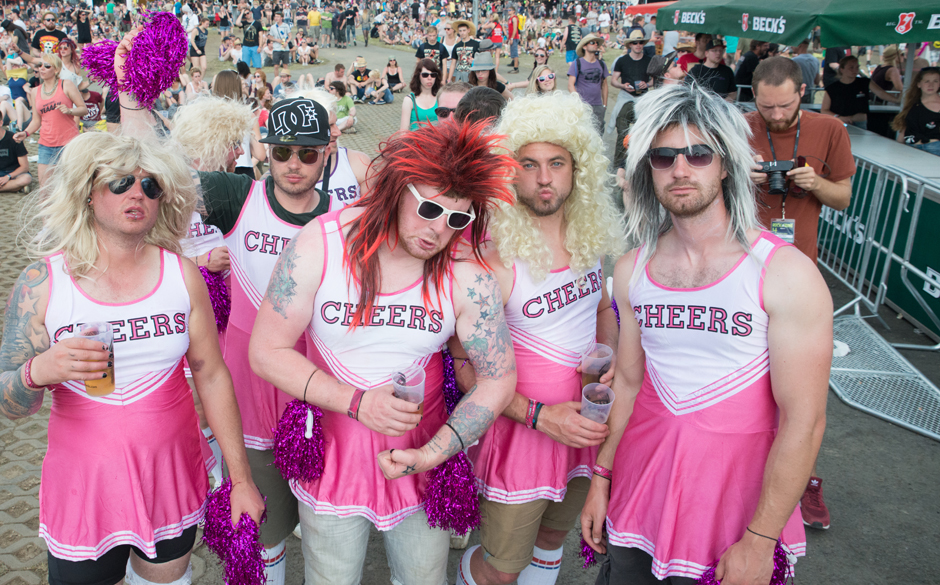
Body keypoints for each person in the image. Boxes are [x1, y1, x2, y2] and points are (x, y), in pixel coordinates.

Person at [248, 118, 518, 585]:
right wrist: (356, 403)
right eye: (430, 208)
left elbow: (499, 378)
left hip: (421, 457)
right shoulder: (321, 244)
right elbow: (266, 350)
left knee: (424, 580)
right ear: (396, 188)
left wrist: (434, 453)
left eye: (458, 219)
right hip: (332, 455)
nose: (439, 230)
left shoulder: (466, 276)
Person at [581, 82, 832, 584]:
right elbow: (628, 382)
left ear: (725, 164)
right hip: (640, 490)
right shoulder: (632, 269)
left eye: (698, 154)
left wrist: (761, 539)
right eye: (664, 156)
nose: (680, 169)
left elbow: (803, 422)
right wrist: (601, 478)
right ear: (646, 169)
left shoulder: (785, 273)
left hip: (733, 508)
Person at [1, 125, 264, 584]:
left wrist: (240, 479)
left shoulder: (182, 275)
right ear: (87, 192)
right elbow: (10, 403)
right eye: (120, 181)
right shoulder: (43, 283)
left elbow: (211, 375)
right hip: (84, 487)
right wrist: (39, 370)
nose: (137, 192)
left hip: (170, 477)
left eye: (151, 185)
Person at [453, 90, 624, 585]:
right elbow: (465, 370)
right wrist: (542, 417)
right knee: (502, 570)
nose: (544, 178)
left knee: (551, 541)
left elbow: (602, 307)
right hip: (522, 436)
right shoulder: (490, 257)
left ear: (578, 170)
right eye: (529, 164)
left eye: (557, 163)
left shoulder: (587, 238)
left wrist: (609, 354)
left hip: (586, 427)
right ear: (509, 171)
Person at [746, 58, 856, 533]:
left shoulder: (829, 129)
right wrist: (739, 178)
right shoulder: (740, 126)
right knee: (747, 385)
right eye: (766, 106)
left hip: (800, 276)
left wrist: (817, 184)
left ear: (803, 93)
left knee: (803, 394)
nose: (775, 115)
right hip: (742, 272)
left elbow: (843, 197)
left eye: (785, 106)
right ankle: (750, 471)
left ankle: (805, 478)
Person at [13, 54, 86, 188]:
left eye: (47, 66)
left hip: (68, 143)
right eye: (40, 65)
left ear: (56, 70)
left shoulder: (66, 84)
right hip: (46, 145)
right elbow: (36, 121)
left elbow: (83, 109)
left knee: (70, 187)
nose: (42, 68)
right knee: (45, 189)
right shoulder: (35, 91)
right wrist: (25, 133)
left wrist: (70, 111)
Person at [607, 30, 651, 136]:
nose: (638, 45)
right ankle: (621, 143)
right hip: (625, 95)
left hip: (643, 96)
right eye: (635, 43)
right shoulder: (622, 61)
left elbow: (654, 79)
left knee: (644, 126)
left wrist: (647, 84)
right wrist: (623, 86)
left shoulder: (649, 60)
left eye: (641, 43)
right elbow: (613, 81)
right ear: (630, 44)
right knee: (621, 119)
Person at [892, 67, 940, 156]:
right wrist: (897, 147)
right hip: (911, 148)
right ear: (919, 84)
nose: (931, 85)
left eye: (935, 81)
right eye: (927, 81)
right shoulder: (913, 103)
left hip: (934, 148)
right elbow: (906, 128)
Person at [567, 33, 608, 134]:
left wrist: (604, 105)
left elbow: (604, 85)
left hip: (598, 106)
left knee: (598, 134)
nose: (595, 44)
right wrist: (579, 103)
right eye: (592, 42)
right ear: (584, 47)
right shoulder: (577, 63)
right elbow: (570, 85)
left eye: (597, 43)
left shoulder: (601, 64)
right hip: (583, 106)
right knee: (582, 134)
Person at [822, 55, 870, 129]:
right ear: (842, 69)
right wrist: (838, 117)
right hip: (839, 122)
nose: (855, 70)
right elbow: (824, 110)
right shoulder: (832, 88)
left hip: (860, 123)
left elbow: (881, 93)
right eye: (851, 67)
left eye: (857, 67)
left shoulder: (864, 82)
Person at [401, 57, 441, 130]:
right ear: (418, 76)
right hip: (415, 137)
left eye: (433, 75)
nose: (429, 78)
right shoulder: (409, 100)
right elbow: (403, 132)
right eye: (425, 75)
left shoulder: (440, 98)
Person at [0, 118, 31, 192]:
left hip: (13, 171)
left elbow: (25, 167)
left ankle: (11, 187)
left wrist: (8, 176)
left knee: (26, 178)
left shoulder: (14, 138)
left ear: (1, 123)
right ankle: (15, 188)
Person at [268, 11, 291, 77]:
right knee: (276, 65)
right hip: (276, 48)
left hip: (285, 48)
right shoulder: (273, 27)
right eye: (275, 16)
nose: (276, 18)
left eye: (278, 16)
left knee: (285, 65)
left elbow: (290, 36)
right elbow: (270, 37)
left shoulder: (286, 26)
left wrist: (286, 42)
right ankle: (276, 79)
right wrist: (276, 40)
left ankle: (285, 78)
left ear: (281, 17)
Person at [507, 6, 520, 74]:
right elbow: (510, 30)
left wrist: (512, 38)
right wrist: (508, 38)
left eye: (510, 10)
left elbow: (515, 29)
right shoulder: (510, 18)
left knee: (515, 53)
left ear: (513, 11)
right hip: (512, 37)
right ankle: (514, 63)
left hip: (514, 37)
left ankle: (516, 68)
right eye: (508, 10)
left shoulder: (514, 18)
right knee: (512, 52)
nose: (508, 11)